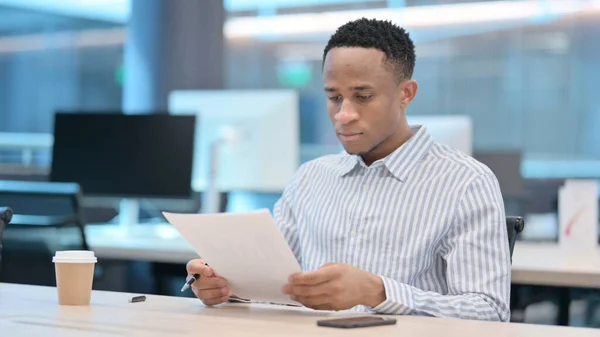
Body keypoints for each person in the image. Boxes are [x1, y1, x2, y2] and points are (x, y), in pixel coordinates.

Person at [186, 18, 511, 322]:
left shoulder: (466, 182)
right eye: (334, 97)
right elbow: (271, 286)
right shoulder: (311, 178)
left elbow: (491, 312)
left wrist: (378, 292)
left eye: (363, 96)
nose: (344, 115)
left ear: (405, 94)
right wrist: (224, 287)